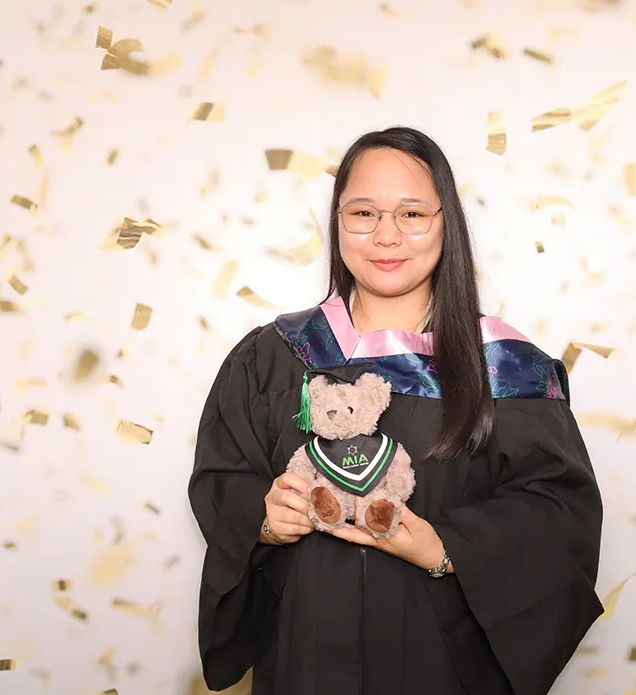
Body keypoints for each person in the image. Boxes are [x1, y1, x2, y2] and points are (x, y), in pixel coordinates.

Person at [188, 126, 604, 695]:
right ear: (338, 222)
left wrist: (447, 548)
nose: (387, 235)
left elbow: (558, 509)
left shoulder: (503, 368)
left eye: (412, 214)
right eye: (364, 213)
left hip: (438, 668)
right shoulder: (274, 356)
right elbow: (221, 478)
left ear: (446, 223)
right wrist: (263, 519)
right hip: (303, 660)